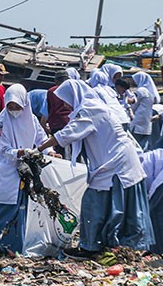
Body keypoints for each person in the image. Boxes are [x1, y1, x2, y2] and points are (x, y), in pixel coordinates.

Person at [34, 79, 155, 259]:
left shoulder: (90, 110)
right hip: (113, 161)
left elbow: (66, 134)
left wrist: (38, 149)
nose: (65, 104)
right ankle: (104, 243)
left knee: (94, 203)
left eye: (66, 99)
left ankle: (92, 247)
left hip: (116, 163)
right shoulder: (91, 106)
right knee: (107, 204)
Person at [0, 83, 50, 255]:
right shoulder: (2, 122)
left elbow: (41, 137)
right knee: (5, 210)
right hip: (6, 173)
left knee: (22, 210)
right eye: (11, 106)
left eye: (18, 106)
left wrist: (50, 150)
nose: (14, 110)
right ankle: (3, 248)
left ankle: (18, 247)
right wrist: (21, 152)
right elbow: (5, 150)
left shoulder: (31, 119)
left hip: (25, 172)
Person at [129, 72, 160, 150]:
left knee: (135, 144)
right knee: (144, 145)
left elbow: (134, 103)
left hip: (138, 120)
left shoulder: (141, 90)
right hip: (146, 121)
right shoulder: (150, 92)